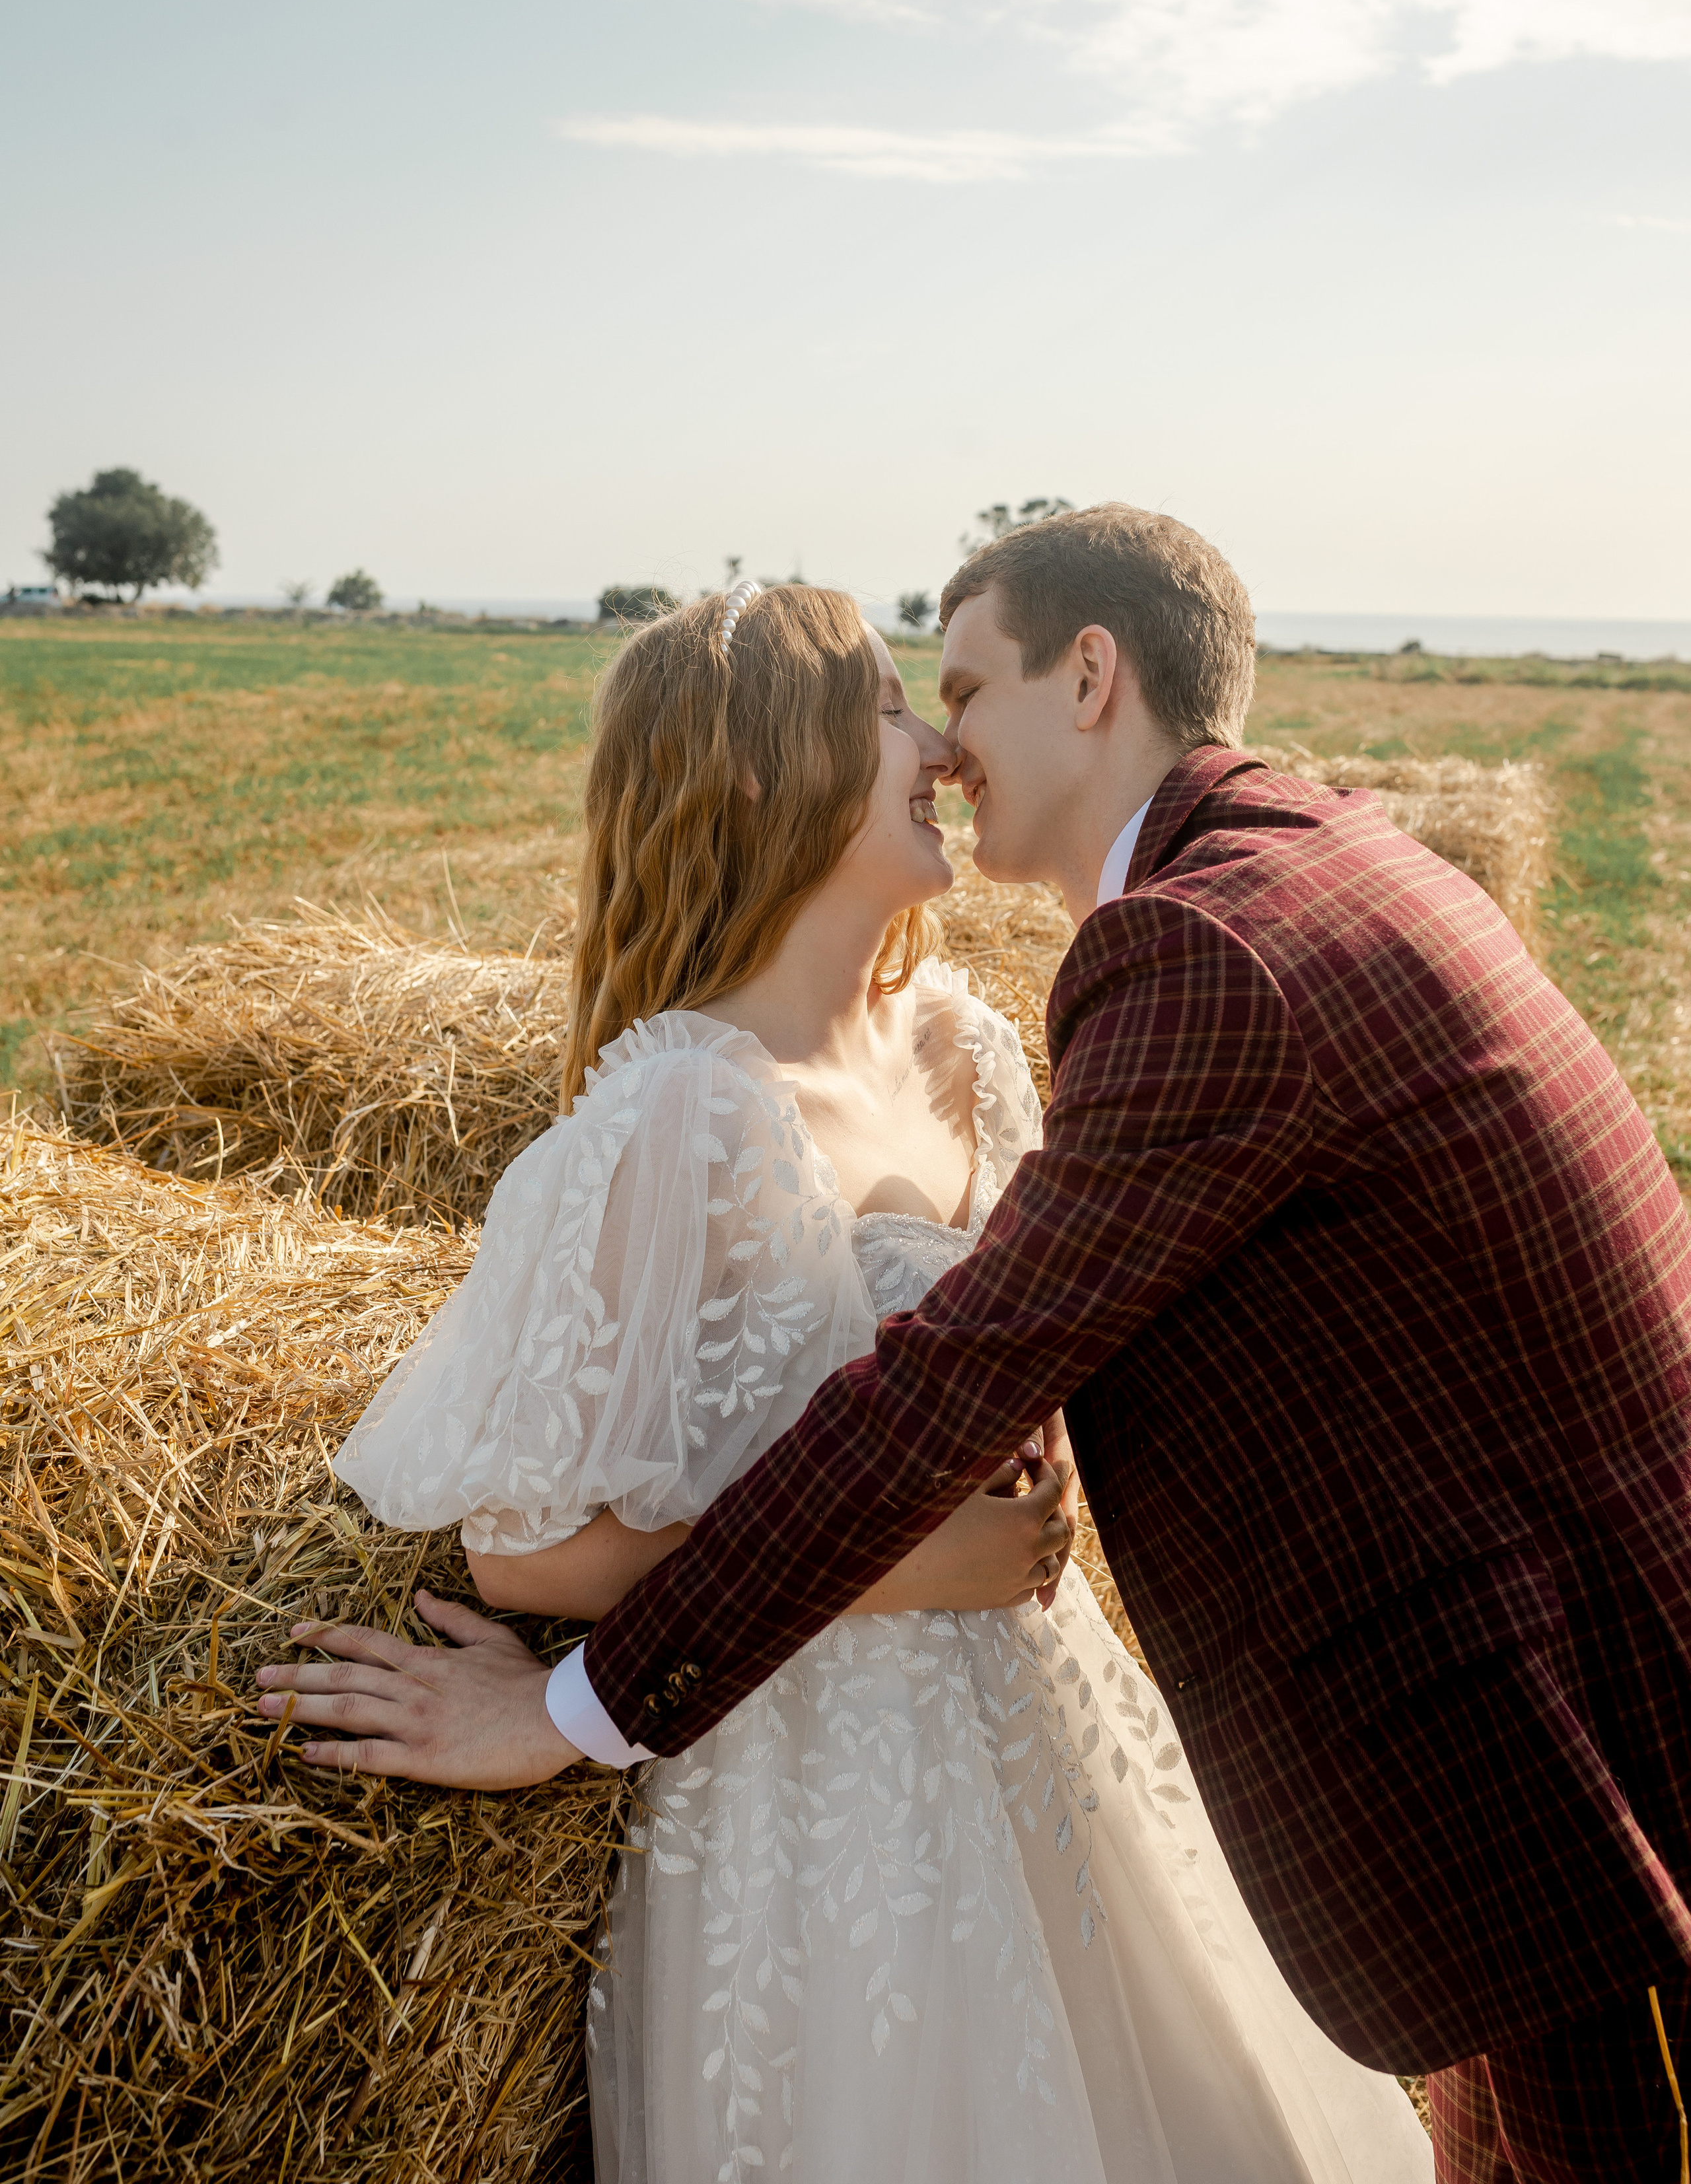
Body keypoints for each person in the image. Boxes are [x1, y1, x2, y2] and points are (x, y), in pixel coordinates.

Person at [256, 503, 1691, 2183]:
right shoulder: (1271, 879)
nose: (939, 738)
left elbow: (988, 1368)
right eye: (894, 702)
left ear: (1090, 678)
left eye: (952, 687)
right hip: (841, 1797)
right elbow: (822, 1440)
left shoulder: (1108, 986)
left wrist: (598, 1701)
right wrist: (608, 1695)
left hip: (1479, 1723)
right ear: (766, 773)